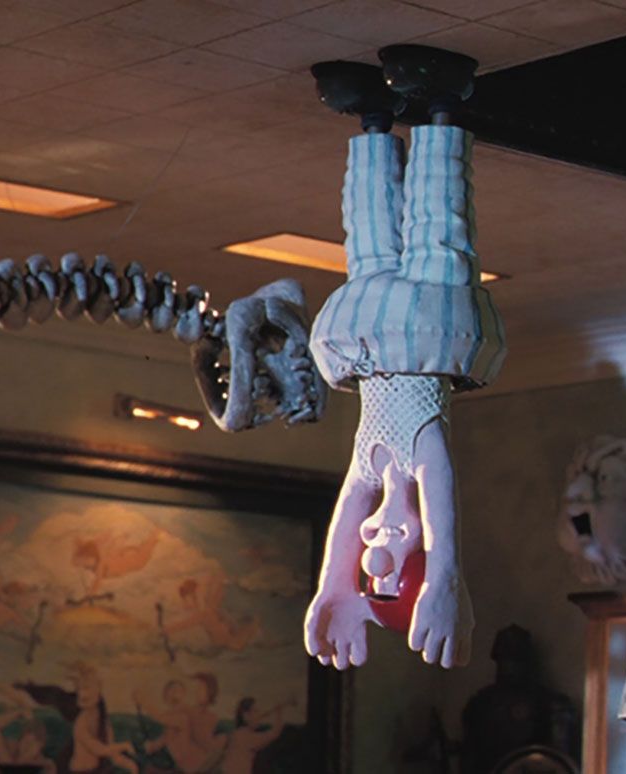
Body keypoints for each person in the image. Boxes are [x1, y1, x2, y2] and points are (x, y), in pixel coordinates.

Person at [304, 46, 504, 672]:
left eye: (372, 548)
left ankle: (374, 119)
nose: (378, 534)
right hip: (430, 335)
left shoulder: (368, 465)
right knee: (438, 230)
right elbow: (445, 520)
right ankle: (443, 103)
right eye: (398, 545)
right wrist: (445, 579)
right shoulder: (424, 453)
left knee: (367, 242)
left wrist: (333, 585)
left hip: (372, 338)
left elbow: (345, 520)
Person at [163, 575, 261, 652]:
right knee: (208, 612)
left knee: (211, 607)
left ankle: (223, 580)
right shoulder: (197, 609)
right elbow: (185, 623)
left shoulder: (203, 604)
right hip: (224, 640)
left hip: (228, 637)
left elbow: (214, 597)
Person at [221, 697, 288, 774]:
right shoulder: (247, 737)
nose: (259, 714)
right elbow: (275, 733)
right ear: (246, 716)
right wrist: (279, 713)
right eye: (255, 711)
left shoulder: (237, 734)